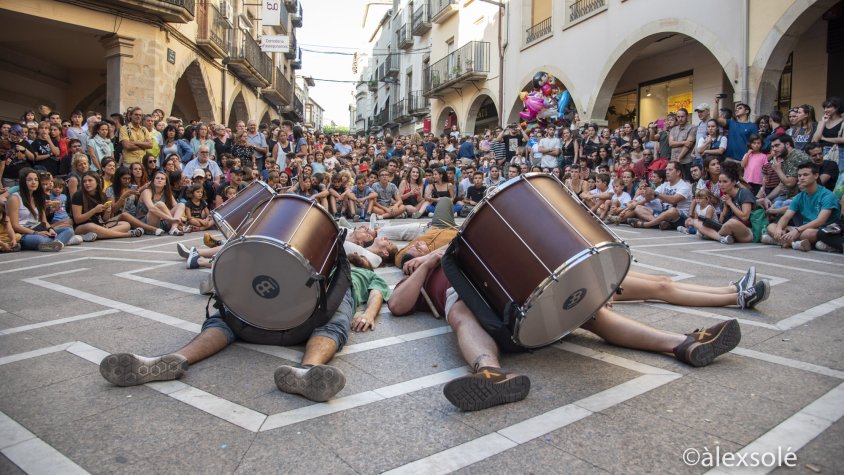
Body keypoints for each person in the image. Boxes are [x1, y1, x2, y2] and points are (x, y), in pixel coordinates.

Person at [388, 246, 749, 411]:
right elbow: (396, 306)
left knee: (587, 313)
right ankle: (492, 374)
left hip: (518, 298)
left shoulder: (461, 248)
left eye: (423, 244)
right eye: (412, 250)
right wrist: (424, 262)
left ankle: (682, 344)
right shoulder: (425, 277)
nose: (421, 246)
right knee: (461, 313)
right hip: (480, 315)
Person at [99, 264, 389, 403]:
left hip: (329, 300)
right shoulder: (322, 259)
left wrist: (368, 313)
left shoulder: (362, 272)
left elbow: (377, 292)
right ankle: (168, 360)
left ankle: (309, 372)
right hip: (288, 301)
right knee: (228, 316)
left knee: (337, 318)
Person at [762, 161, 840, 251]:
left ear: (816, 176)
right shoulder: (800, 196)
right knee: (771, 226)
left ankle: (780, 241)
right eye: (799, 175)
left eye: (805, 175)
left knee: (808, 233)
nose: (801, 178)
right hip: (802, 229)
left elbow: (820, 221)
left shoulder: (827, 195)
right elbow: (786, 216)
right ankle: (792, 243)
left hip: (821, 230)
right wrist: (779, 229)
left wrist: (798, 230)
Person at [6, 168, 75, 251]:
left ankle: (54, 244)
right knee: (40, 239)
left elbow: (44, 221)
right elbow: (14, 225)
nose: (34, 182)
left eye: (36, 180)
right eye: (29, 180)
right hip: (24, 234)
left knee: (69, 230)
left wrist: (50, 229)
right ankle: (61, 241)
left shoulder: (39, 198)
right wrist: (36, 233)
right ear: (23, 182)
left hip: (39, 229)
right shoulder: (15, 198)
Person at [71, 171, 143, 240]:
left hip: (99, 225)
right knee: (90, 226)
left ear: (97, 181)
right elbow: (77, 220)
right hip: (82, 227)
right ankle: (128, 234)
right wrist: (94, 210)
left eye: (90, 180)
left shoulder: (102, 195)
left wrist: (108, 212)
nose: (87, 183)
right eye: (84, 181)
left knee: (126, 224)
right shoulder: (78, 195)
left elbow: (105, 219)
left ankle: (99, 234)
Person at [696, 162, 756, 244]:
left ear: (734, 182)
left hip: (746, 231)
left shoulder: (744, 193)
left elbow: (745, 217)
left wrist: (730, 203)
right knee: (697, 222)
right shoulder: (724, 197)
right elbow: (721, 221)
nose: (721, 185)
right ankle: (722, 237)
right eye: (720, 182)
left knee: (731, 222)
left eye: (725, 182)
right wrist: (725, 207)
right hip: (727, 228)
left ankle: (712, 235)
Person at [714, 98, 758, 162]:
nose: (737, 110)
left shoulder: (752, 126)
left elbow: (755, 144)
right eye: (736, 109)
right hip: (728, 159)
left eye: (740, 108)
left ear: (747, 111)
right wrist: (716, 103)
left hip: (742, 161)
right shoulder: (731, 123)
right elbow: (716, 118)